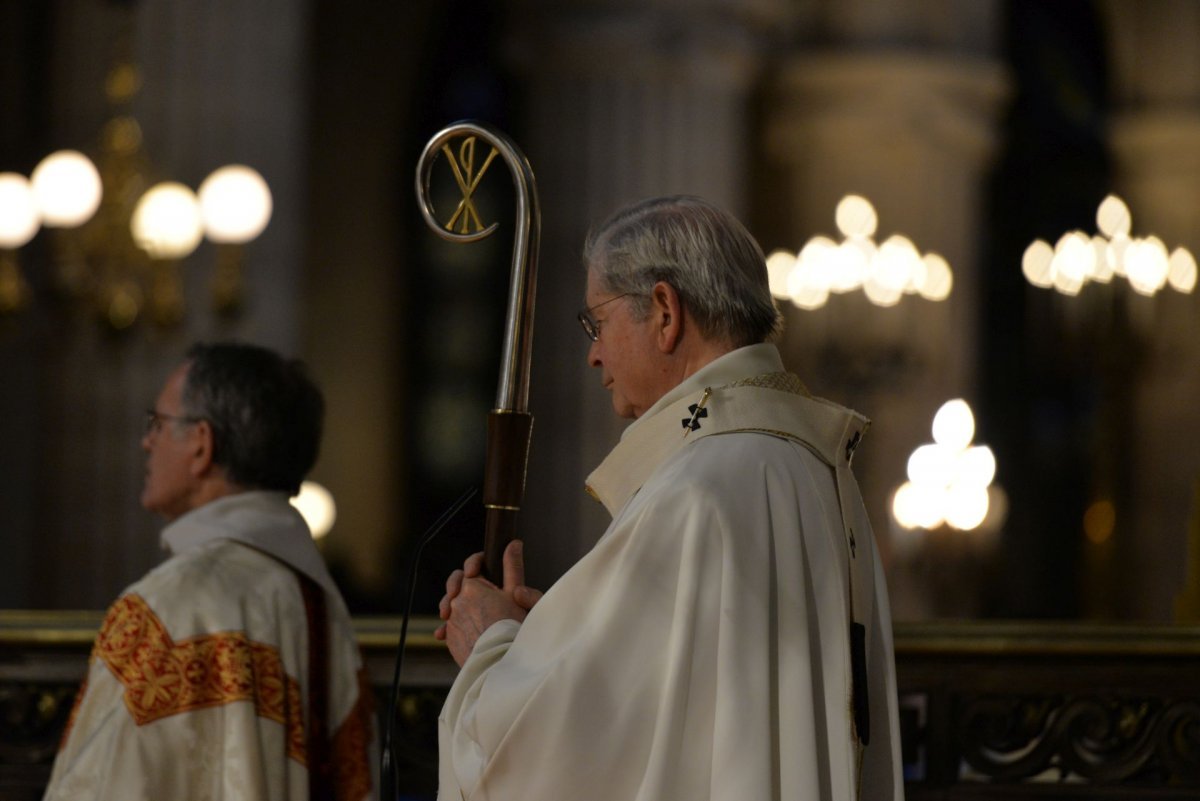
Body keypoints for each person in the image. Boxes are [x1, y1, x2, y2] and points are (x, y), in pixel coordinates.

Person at [435, 195, 903, 801]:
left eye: (596, 323)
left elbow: (554, 753)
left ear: (663, 311)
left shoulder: (697, 489)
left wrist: (490, 649)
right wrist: (557, 637)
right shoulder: (810, 467)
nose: (593, 353)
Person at [43, 342, 377, 801]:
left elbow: (100, 786)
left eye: (157, 424)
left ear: (202, 443)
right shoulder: (322, 607)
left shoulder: (167, 604)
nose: (147, 441)